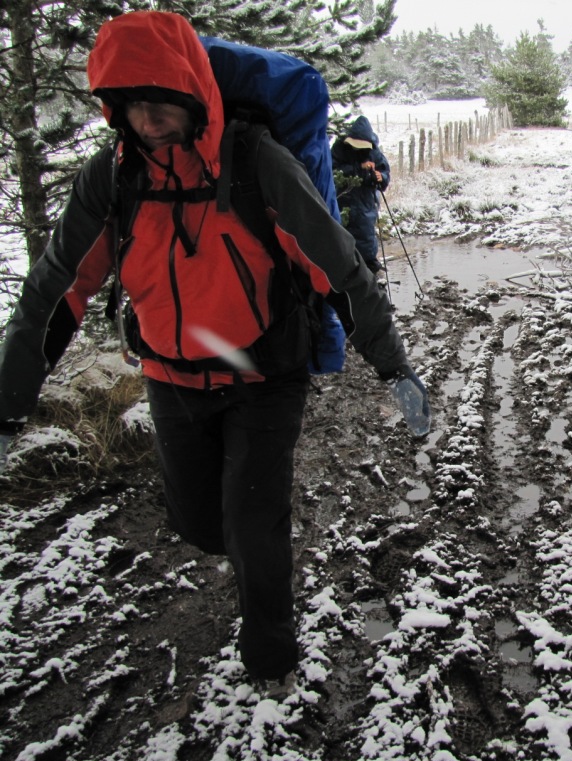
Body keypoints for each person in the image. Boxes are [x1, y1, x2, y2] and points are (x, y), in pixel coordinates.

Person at [0, 11, 429, 699]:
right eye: (130, 105)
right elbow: (56, 288)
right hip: (172, 380)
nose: (147, 119)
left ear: (194, 93)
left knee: (252, 525)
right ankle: (236, 533)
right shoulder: (114, 179)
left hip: (265, 376)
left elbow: (338, 268)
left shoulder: (257, 162)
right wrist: (10, 400)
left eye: (160, 101)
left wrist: (393, 365)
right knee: (201, 524)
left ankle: (272, 663)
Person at [331, 116, 390, 274]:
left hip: (365, 204)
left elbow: (385, 174)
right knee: (343, 241)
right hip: (343, 202)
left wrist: (380, 177)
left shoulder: (374, 152)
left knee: (366, 238)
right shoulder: (339, 149)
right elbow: (333, 174)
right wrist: (359, 168)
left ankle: (370, 273)